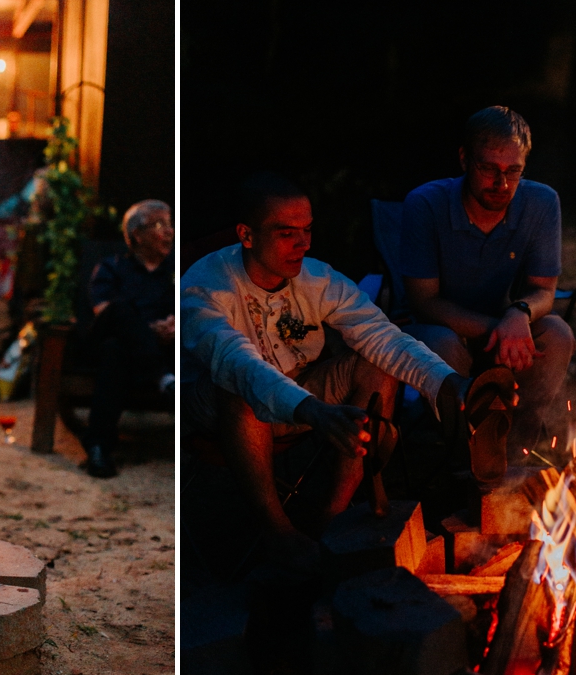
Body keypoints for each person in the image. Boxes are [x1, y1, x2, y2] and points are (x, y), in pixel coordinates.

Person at [181, 174, 471, 567]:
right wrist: (315, 411)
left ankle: (332, 517)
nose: (304, 244)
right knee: (242, 387)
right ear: (246, 235)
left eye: (308, 230)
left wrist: (449, 384)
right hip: (217, 409)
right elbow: (238, 364)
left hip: (302, 392)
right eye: (287, 233)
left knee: (376, 365)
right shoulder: (206, 286)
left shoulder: (316, 278)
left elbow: (382, 336)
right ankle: (278, 531)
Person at [401, 106, 575, 454]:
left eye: (514, 171)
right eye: (489, 169)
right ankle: (464, 454)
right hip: (437, 328)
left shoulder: (540, 202)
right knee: (445, 345)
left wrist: (519, 314)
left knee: (557, 334)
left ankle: (517, 450)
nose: (502, 184)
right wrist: (501, 327)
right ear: (465, 159)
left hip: (502, 325)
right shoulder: (426, 204)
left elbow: (543, 289)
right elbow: (424, 301)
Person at [83, 200, 175, 478]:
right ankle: (163, 379)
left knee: (116, 352)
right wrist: (148, 331)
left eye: (171, 224)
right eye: (161, 225)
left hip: (156, 350)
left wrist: (175, 326)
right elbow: (104, 313)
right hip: (121, 341)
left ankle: (98, 447)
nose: (170, 231)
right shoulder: (111, 268)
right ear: (137, 234)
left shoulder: (177, 270)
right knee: (118, 314)